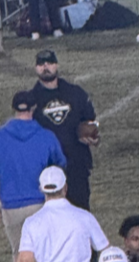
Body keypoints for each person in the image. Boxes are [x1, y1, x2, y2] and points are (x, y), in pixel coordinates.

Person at [0, 90, 66, 262]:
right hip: (40, 203)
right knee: (39, 257)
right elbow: (60, 166)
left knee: (19, 254)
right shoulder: (46, 135)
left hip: (11, 206)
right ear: (34, 109)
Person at [29, 48, 98, 209]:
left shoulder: (75, 93)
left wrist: (93, 135)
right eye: (41, 64)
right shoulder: (31, 99)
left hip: (76, 163)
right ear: (36, 68)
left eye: (50, 63)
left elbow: (91, 121)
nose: (45, 67)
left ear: (57, 65)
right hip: (47, 167)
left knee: (80, 212)